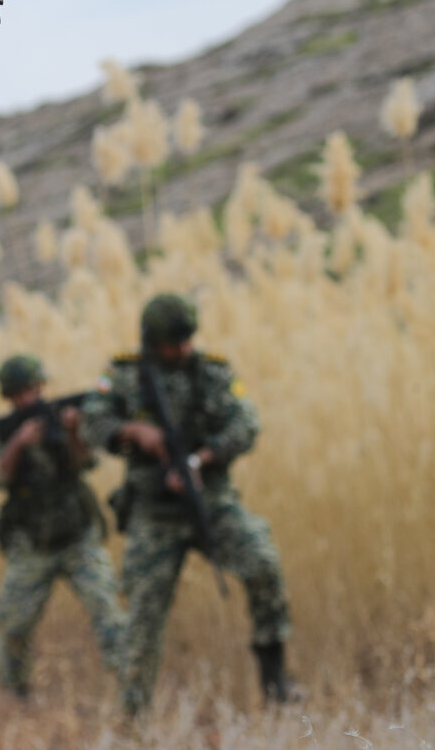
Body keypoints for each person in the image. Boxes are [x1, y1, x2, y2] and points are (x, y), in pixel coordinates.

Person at [80, 293, 295, 717]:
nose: (182, 350)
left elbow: (246, 423)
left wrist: (202, 457)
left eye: (186, 340)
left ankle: (277, 682)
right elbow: (91, 420)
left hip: (211, 501)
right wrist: (133, 432)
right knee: (142, 614)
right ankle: (134, 715)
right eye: (171, 343)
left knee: (264, 564)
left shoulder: (212, 372)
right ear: (150, 341)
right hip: (153, 514)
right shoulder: (124, 375)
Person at [0, 355, 125, 700]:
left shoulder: (60, 417)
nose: (29, 397)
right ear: (9, 395)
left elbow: (85, 463)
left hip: (77, 537)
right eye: (20, 392)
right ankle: (14, 695)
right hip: (31, 543)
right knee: (14, 626)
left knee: (109, 615)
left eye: (33, 389)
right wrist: (18, 444)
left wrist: (73, 430)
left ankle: (129, 690)